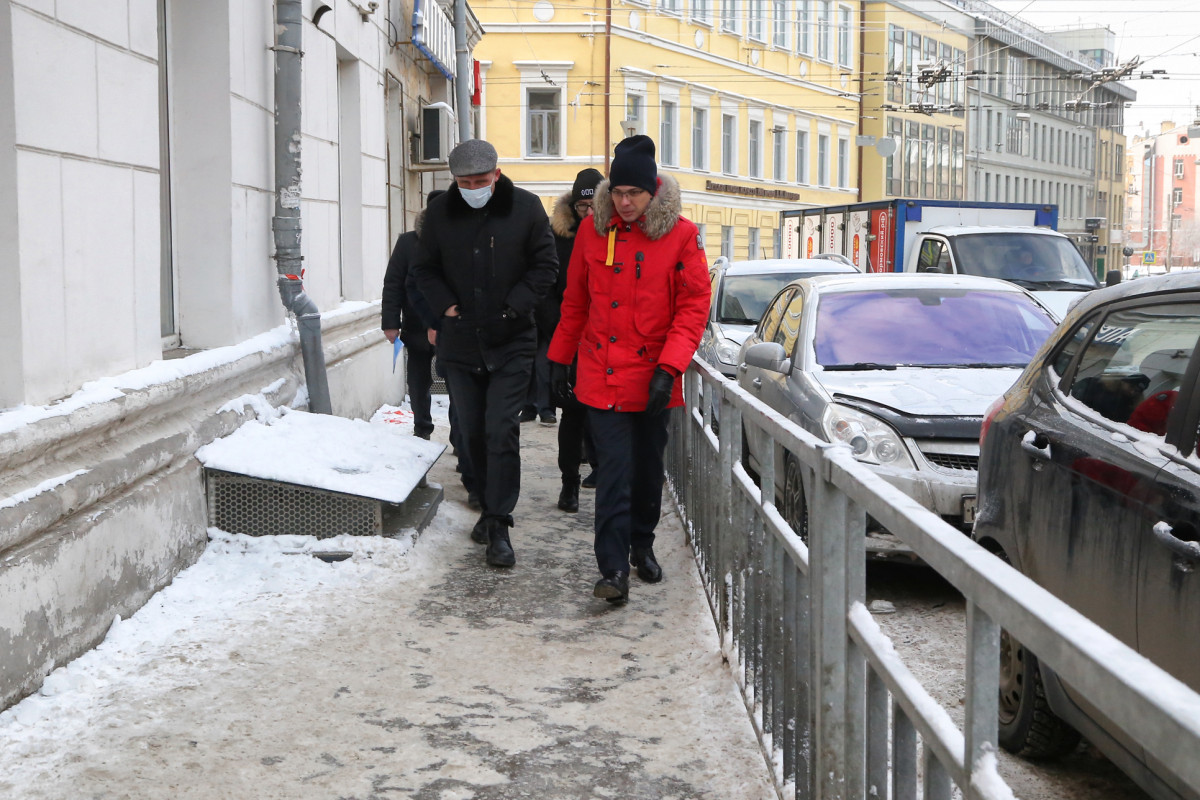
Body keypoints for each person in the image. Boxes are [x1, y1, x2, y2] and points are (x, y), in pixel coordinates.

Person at [547, 135, 711, 604]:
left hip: (653, 378)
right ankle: (613, 569)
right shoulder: (591, 232)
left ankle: (642, 542)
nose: (624, 203)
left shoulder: (680, 234)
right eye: (617, 193)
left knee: (646, 471)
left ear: (652, 191)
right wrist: (559, 358)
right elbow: (575, 301)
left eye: (633, 194)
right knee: (613, 473)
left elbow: (693, 305)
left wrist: (670, 367)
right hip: (600, 374)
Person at [412, 139, 558, 568]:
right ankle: (485, 498)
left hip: (511, 340)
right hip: (460, 342)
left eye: (480, 180)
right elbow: (424, 268)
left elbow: (546, 266)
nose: (473, 188)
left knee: (500, 429)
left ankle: (498, 523)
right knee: (470, 433)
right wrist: (445, 306)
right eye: (464, 182)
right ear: (453, 181)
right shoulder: (439, 214)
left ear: (497, 174)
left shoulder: (527, 209)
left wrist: (514, 305)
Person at [547, 167, 604, 513]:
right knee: (572, 414)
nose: (587, 213)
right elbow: (549, 288)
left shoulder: (610, 233)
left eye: (592, 206)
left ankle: (599, 469)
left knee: (600, 415)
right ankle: (569, 483)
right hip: (569, 335)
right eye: (582, 207)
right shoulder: (558, 237)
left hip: (603, 339)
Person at [382, 190, 445, 442]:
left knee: (459, 385)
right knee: (418, 382)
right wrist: (390, 323)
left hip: (452, 327)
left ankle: (461, 442)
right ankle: (422, 428)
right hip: (417, 324)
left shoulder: (459, 241)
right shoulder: (408, 243)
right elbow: (393, 283)